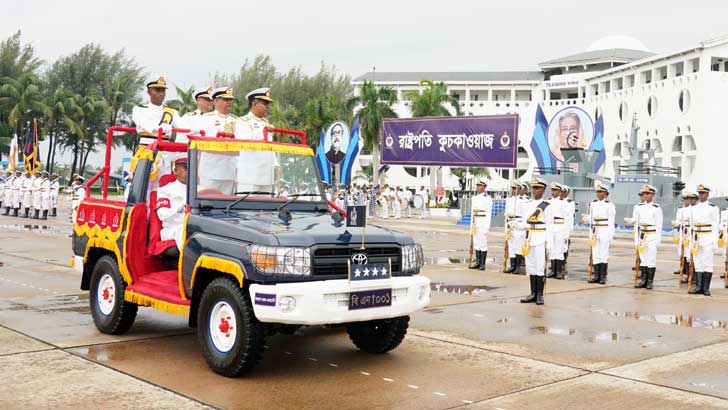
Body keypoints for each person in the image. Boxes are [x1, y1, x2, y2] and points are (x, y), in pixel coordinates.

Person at [234, 87, 279, 194]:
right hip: (250, 176)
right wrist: (263, 130)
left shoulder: (265, 122)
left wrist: (276, 164)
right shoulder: (243, 121)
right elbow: (243, 141)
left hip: (266, 175)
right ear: (254, 103)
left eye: (268, 104)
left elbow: (269, 148)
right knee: (247, 209)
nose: (267, 107)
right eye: (264, 103)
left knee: (266, 208)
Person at [518, 178, 554, 305]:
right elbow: (524, 222)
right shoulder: (526, 204)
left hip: (540, 237)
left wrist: (549, 243)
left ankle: (540, 294)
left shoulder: (547, 206)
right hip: (528, 238)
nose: (535, 190)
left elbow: (550, 226)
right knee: (531, 267)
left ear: (543, 190)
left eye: (538, 188)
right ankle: (533, 293)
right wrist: (519, 227)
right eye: (533, 188)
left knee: (540, 267)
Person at [626, 184, 663, 290]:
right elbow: (636, 224)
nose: (646, 196)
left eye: (648, 193)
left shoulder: (656, 208)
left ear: (653, 194)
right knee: (643, 259)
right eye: (644, 193)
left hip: (652, 235)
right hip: (642, 235)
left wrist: (657, 239)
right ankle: (643, 279)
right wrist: (636, 239)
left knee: (651, 259)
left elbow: (659, 225)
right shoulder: (639, 207)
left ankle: (650, 281)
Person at [131, 75, 185, 147]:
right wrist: (161, 128)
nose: (161, 93)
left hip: (165, 151)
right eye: (157, 90)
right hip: (145, 149)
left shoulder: (172, 112)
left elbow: (183, 127)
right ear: (149, 92)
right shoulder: (139, 110)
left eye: (163, 90)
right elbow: (146, 125)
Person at [688, 184, 719, 296]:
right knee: (698, 262)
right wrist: (691, 241)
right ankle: (698, 287)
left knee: (707, 263)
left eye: (703, 193)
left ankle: (706, 288)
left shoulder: (713, 208)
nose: (701, 195)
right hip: (697, 238)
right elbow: (691, 226)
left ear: (707, 194)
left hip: (708, 237)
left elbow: (715, 226)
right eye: (699, 193)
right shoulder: (693, 208)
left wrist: (715, 242)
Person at [584, 182, 616, 284]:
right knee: (595, 254)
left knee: (603, 254)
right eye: (597, 192)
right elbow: (592, 218)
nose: (598, 194)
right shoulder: (593, 204)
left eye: (600, 192)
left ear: (606, 193)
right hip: (594, 231)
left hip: (604, 230)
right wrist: (586, 218)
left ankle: (602, 276)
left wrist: (610, 234)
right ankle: (596, 275)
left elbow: (611, 221)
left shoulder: (610, 205)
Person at [156, 157, 188, 252]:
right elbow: (162, 215)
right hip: (173, 228)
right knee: (183, 231)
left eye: (192, 168)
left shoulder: (200, 189)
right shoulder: (166, 189)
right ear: (175, 171)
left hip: (196, 225)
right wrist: (179, 208)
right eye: (185, 168)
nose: (189, 171)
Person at [468, 179, 493, 271]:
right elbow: (472, 213)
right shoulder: (474, 198)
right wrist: (471, 225)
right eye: (477, 185)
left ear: (484, 187)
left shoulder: (488, 199)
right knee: (476, 243)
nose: (478, 187)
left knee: (483, 243)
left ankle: (482, 263)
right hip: (475, 222)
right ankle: (478, 262)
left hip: (483, 222)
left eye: (480, 186)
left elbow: (489, 214)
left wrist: (487, 227)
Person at [546, 182, 567, 279]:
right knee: (552, 249)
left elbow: (567, 218)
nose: (553, 192)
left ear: (559, 191)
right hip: (551, 227)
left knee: (559, 249)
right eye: (552, 190)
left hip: (560, 227)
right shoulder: (548, 202)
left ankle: (558, 271)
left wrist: (566, 232)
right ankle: (552, 270)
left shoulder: (564, 202)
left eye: (555, 190)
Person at [503, 182, 525, 274]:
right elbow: (506, 213)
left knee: (518, 246)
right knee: (511, 246)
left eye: (516, 188)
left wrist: (522, 226)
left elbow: (525, 214)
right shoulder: (509, 199)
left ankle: (517, 266)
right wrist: (506, 227)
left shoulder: (524, 200)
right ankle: (512, 266)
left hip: (518, 223)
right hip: (510, 223)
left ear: (521, 189)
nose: (514, 190)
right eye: (513, 188)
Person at [561, 185, 575, 263]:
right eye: (561, 192)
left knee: (565, 244)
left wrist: (569, 228)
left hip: (566, 225)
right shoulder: (557, 201)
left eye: (563, 192)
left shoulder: (569, 202)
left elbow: (570, 216)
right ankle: (558, 262)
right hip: (557, 226)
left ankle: (564, 260)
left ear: (567, 192)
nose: (562, 193)